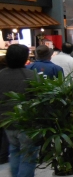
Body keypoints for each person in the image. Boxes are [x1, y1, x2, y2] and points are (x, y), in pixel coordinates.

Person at [0, 44, 39, 176]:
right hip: (26, 122)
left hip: (7, 121)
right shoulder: (30, 75)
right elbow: (38, 98)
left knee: (15, 150)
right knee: (28, 155)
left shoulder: (1, 75)